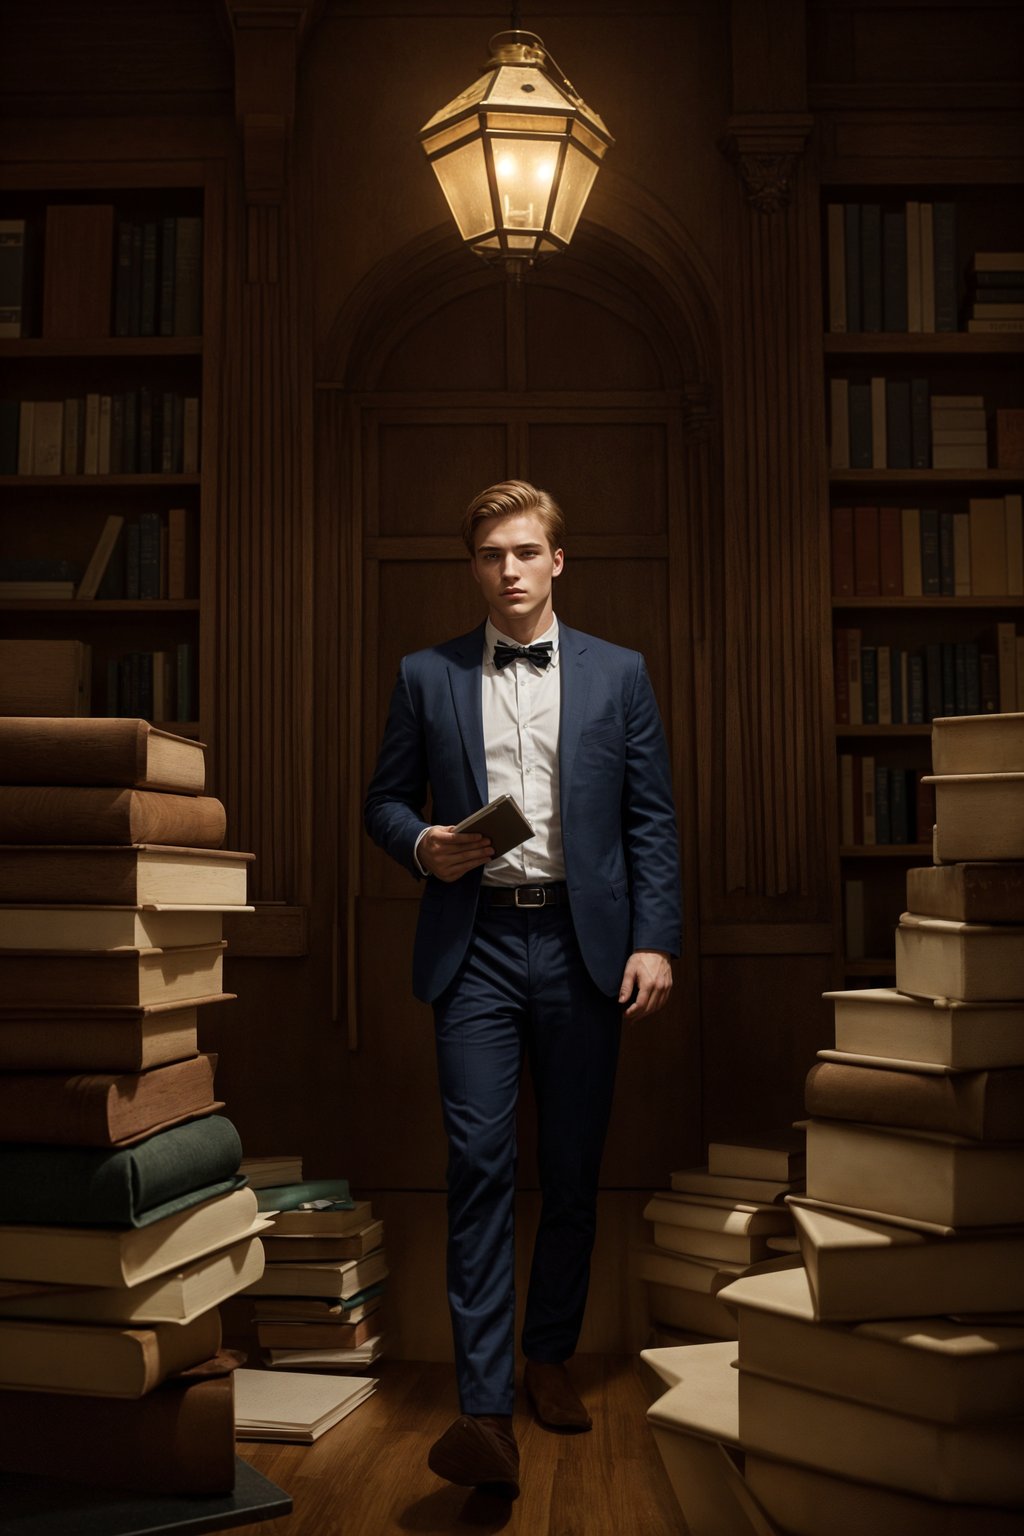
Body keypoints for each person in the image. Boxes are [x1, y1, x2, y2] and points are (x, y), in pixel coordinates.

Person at [364, 479, 681, 1500]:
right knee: (478, 1167)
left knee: (576, 1170)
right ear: (474, 567)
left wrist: (655, 941)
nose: (508, 568)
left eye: (525, 551)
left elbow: (650, 821)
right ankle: (483, 1409)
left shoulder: (620, 675)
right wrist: (421, 844)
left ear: (556, 561)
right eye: (491, 553)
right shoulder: (425, 674)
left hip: (588, 951)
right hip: (477, 948)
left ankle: (549, 1352)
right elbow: (380, 801)